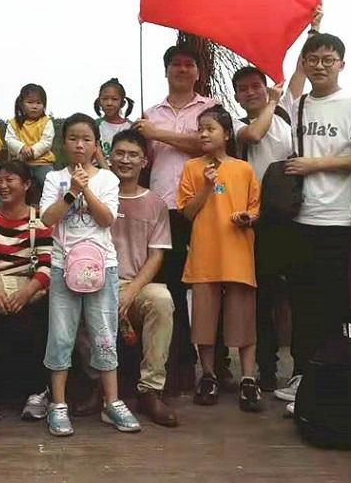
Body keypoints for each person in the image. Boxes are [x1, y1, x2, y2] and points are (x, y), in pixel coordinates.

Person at [232, 4, 323, 391]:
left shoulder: (286, 111)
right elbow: (254, 136)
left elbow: (302, 69)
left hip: (294, 214)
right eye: (244, 89)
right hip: (258, 219)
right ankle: (265, 369)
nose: (251, 92)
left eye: (256, 86)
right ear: (237, 97)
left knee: (300, 293)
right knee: (264, 297)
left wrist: (312, 29)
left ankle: (302, 367)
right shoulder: (237, 123)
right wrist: (271, 100)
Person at [273, 32, 351, 403]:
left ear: (341, 64)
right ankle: (302, 374)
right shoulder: (299, 104)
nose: (320, 66)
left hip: (337, 218)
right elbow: (291, 87)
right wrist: (310, 30)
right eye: (313, 59)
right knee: (301, 300)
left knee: (331, 304)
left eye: (328, 59)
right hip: (300, 217)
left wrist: (315, 165)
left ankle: (326, 380)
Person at [40, 113, 141, 436]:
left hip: (103, 267)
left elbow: (107, 219)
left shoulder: (108, 179)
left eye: (86, 139)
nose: (79, 145)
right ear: (63, 143)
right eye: (73, 138)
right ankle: (58, 404)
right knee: (61, 336)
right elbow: (47, 219)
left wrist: (86, 190)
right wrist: (71, 192)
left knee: (104, 335)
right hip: (63, 267)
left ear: (96, 145)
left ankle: (112, 402)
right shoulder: (54, 178)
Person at [73, 130, 177, 426]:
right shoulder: (93, 194)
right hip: (95, 280)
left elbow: (156, 256)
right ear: (109, 155)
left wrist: (131, 291)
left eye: (133, 155)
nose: (125, 160)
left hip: (135, 284)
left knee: (161, 300)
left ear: (145, 162)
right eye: (119, 153)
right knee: (75, 299)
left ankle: (150, 390)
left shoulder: (155, 203)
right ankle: (98, 384)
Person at [133, 43, 217, 386]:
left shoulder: (211, 108)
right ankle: (179, 361)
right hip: (163, 207)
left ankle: (215, 366)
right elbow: (142, 160)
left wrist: (158, 134)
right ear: (166, 70)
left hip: (207, 206)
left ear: (198, 72)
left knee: (210, 286)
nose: (182, 69)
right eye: (176, 64)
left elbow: (206, 144)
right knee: (169, 287)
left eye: (188, 64)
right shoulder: (149, 113)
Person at [176, 105, 263, 412]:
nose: (203, 134)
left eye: (210, 128)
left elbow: (255, 209)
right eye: (200, 129)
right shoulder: (192, 168)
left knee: (244, 319)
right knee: (204, 321)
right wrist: (206, 186)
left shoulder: (244, 169)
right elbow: (187, 212)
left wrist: (247, 218)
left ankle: (248, 379)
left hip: (237, 253)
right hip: (205, 253)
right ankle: (208, 375)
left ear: (226, 134)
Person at [0, 160, 52, 423]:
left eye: (10, 180)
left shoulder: (40, 218)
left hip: (27, 287)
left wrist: (25, 294)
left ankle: (38, 392)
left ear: (26, 184)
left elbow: (47, 265)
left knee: (37, 317)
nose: (2, 186)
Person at [4, 83, 55, 198]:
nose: (35, 106)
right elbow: (10, 140)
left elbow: (46, 141)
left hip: (42, 162)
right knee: (13, 183)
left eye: (39, 103)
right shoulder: (14, 123)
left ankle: (51, 204)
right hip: (20, 163)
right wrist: (22, 148)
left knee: (49, 182)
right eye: (30, 102)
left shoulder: (46, 122)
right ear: (22, 104)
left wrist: (32, 151)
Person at [93, 77, 134, 168]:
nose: (109, 103)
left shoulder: (131, 127)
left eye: (114, 99)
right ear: (99, 102)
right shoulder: (93, 125)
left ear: (122, 103)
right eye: (105, 99)